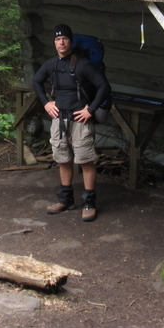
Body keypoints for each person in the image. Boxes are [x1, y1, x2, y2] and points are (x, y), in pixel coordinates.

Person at [32, 24, 110, 222]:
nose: (61, 42)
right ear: (54, 43)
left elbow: (104, 86)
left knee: (85, 161)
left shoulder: (83, 64)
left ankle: (89, 203)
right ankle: (65, 200)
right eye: (58, 39)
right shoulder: (52, 64)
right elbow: (37, 81)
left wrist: (90, 110)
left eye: (65, 39)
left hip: (80, 120)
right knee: (63, 159)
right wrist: (45, 103)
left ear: (71, 41)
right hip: (59, 119)